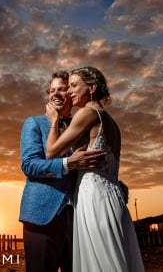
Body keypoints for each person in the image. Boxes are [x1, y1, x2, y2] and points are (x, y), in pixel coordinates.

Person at [45, 67, 144, 272]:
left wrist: (54, 122)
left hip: (94, 197)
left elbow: (51, 152)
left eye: (74, 86)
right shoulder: (111, 121)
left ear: (91, 87)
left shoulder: (88, 113)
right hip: (112, 194)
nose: (70, 91)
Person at [19, 70, 106, 272]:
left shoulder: (83, 125)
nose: (55, 94)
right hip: (41, 215)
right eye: (52, 90)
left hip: (79, 217)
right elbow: (29, 165)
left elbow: (91, 165)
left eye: (62, 89)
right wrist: (67, 163)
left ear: (72, 94)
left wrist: (114, 184)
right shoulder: (34, 123)